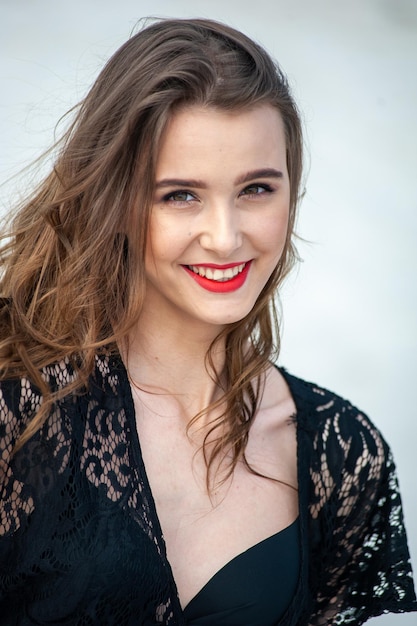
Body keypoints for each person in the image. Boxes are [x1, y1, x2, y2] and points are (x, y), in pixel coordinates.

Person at [0, 17, 415, 626]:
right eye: (180, 195)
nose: (225, 238)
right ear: (114, 203)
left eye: (256, 189)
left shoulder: (340, 453)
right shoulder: (19, 412)